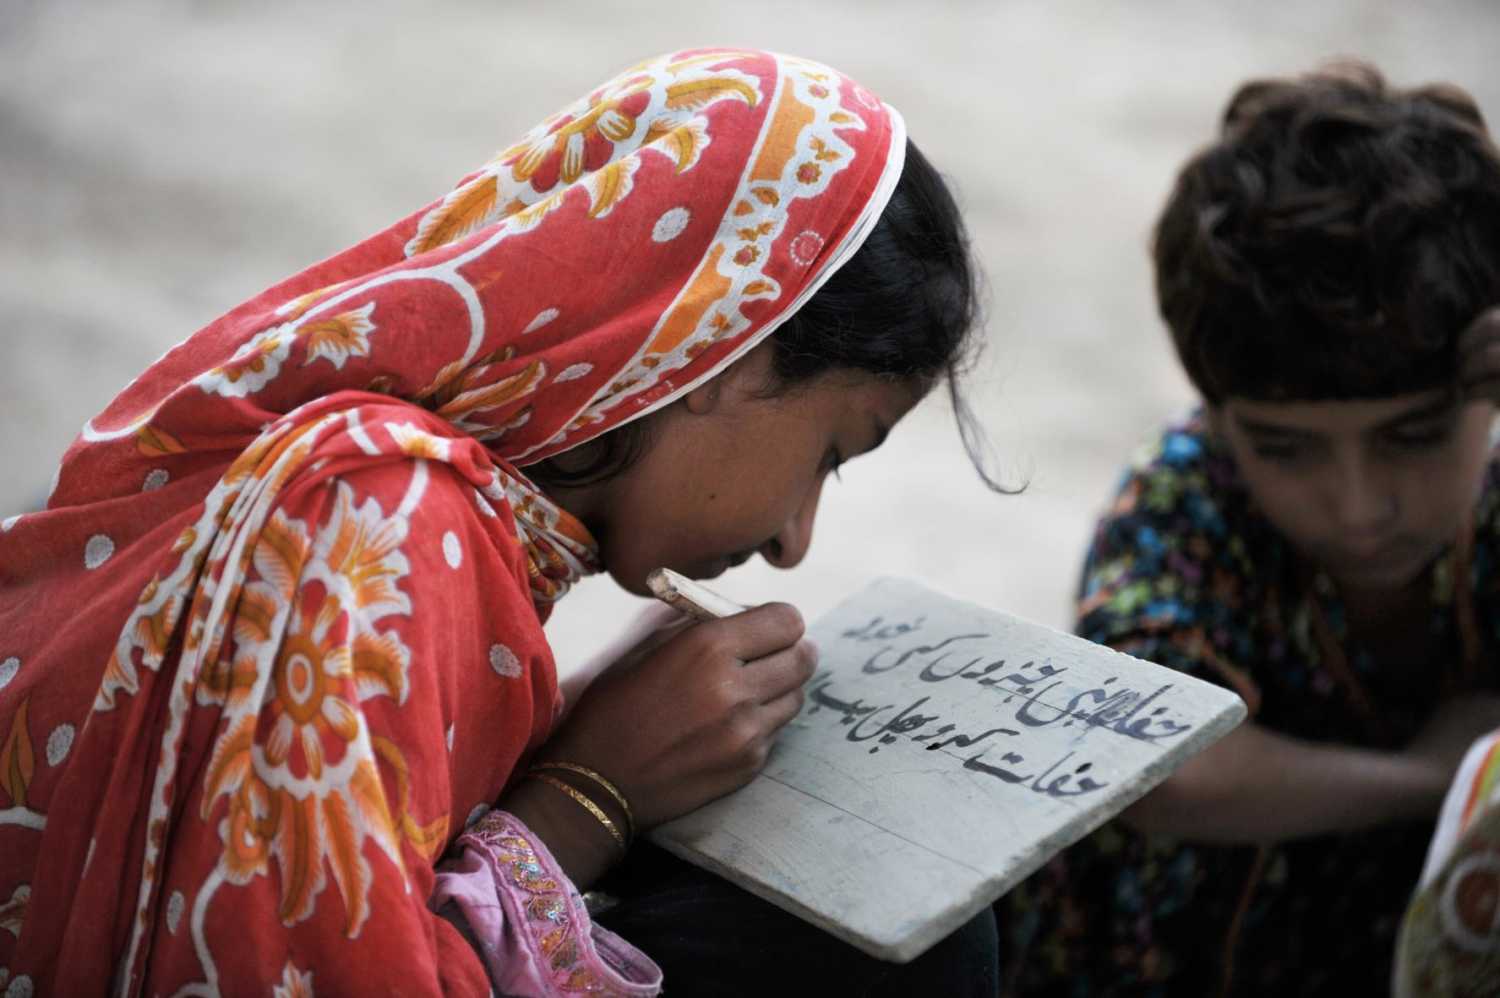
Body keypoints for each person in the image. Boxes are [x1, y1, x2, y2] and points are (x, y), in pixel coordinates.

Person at [0, 49, 1000, 996]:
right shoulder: (371, 516)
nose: (795, 538)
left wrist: (578, 722)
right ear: (727, 347)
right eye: (828, 454)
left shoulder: (430, 510)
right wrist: (590, 791)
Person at [995, 63, 1500, 996]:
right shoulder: (1185, 497)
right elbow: (1156, 765)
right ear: (1222, 418)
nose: (1358, 505)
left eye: (1414, 436)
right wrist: (1441, 781)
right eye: (1288, 449)